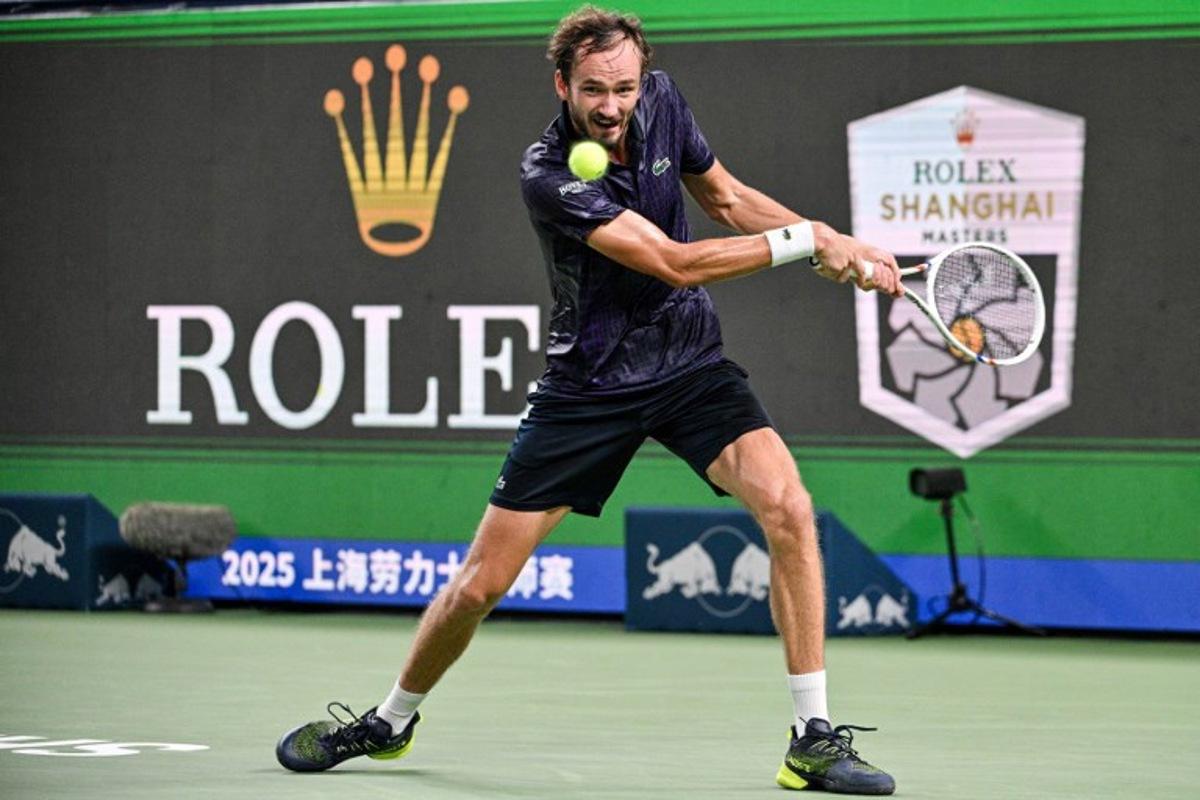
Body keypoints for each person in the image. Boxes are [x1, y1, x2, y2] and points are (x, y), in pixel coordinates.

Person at [277, 5, 901, 795]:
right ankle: (389, 722)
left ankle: (812, 739)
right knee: (480, 585)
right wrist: (806, 239)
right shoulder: (549, 174)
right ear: (562, 84)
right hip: (590, 386)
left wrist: (839, 243)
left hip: (687, 364)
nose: (613, 106)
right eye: (595, 90)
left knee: (789, 508)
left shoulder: (664, 101)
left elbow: (729, 199)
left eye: (626, 88)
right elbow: (674, 262)